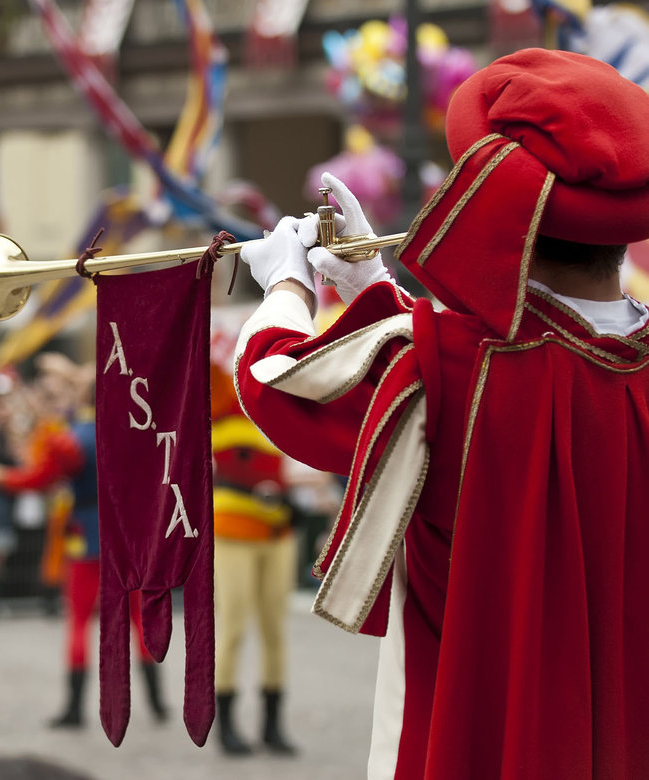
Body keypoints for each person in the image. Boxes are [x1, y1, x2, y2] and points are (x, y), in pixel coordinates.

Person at [233, 49, 649, 777]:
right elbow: (484, 357)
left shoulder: (443, 363)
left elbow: (279, 381)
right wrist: (371, 280)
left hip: (479, 735)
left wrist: (287, 284)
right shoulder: (453, 358)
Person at [0, 357, 167, 729]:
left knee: (79, 620)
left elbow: (38, 478)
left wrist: (0, 476)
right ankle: (157, 703)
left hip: (86, 530)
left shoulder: (71, 438)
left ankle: (75, 709)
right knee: (139, 620)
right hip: (130, 532)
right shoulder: (138, 426)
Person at [208, 364, 296, 756]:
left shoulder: (281, 414)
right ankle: (225, 722)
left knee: (274, 630)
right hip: (232, 532)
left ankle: (272, 725)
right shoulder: (222, 410)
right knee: (234, 627)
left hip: (277, 532)